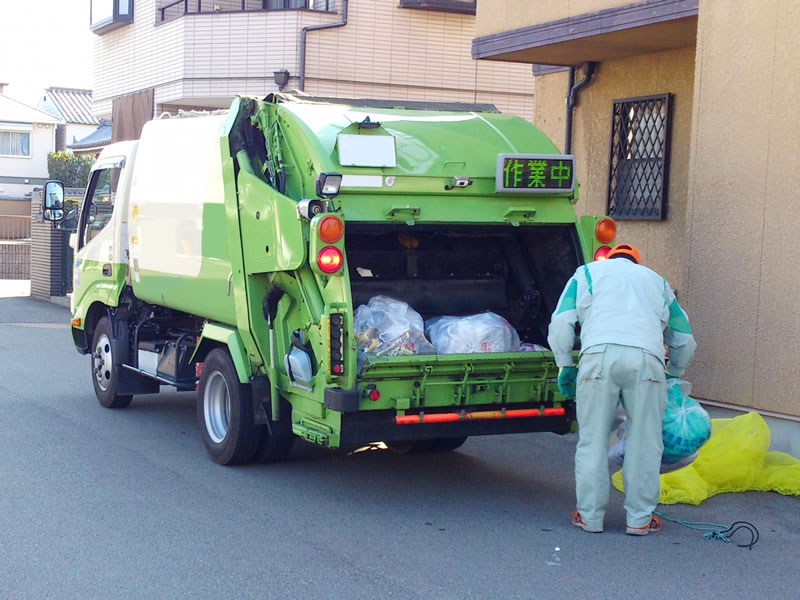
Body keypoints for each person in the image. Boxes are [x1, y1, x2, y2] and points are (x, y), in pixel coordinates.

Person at [547, 243, 696, 536]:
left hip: (598, 357)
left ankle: (589, 517)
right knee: (645, 440)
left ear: (610, 256)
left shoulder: (586, 273)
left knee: (592, 440)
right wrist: (673, 374)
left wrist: (564, 363)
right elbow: (684, 339)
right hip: (647, 361)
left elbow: (561, 322)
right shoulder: (657, 281)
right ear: (636, 262)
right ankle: (639, 519)